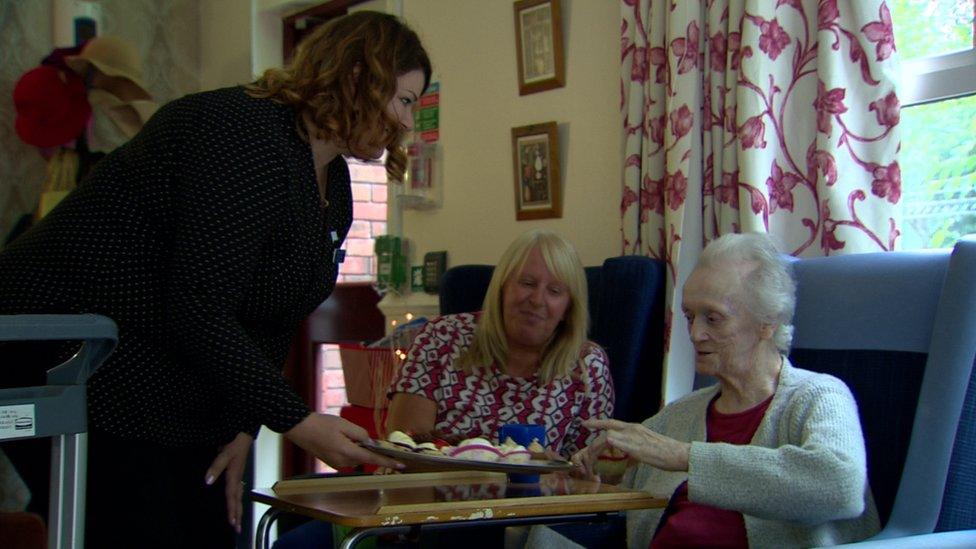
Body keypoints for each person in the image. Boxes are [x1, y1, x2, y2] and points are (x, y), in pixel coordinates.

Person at [0, 11, 430, 548]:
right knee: (133, 524)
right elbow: (198, 305)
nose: (409, 123)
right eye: (405, 100)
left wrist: (247, 423)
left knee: (208, 522)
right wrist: (295, 419)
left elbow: (273, 317)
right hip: (63, 344)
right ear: (355, 78)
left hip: (157, 355)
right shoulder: (240, 132)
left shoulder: (332, 181)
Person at [527, 232, 880, 548]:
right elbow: (622, 494)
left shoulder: (818, 396)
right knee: (542, 538)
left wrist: (686, 457)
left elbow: (840, 488)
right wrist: (595, 474)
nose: (695, 334)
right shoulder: (681, 415)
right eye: (689, 316)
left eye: (713, 318)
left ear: (767, 322)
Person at [386, 228, 614, 458]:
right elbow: (408, 447)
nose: (536, 300)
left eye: (554, 291)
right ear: (503, 287)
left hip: (539, 493)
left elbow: (588, 472)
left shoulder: (587, 366)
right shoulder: (441, 337)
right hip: (434, 490)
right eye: (527, 283)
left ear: (568, 308)